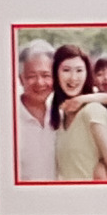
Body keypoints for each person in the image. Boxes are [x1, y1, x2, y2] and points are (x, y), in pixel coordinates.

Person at [49, 46, 107, 183]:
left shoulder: (92, 111)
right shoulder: (62, 115)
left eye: (79, 70)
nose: (73, 77)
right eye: (66, 70)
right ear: (56, 73)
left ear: (87, 74)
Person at [11, 39, 62, 182]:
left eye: (46, 75)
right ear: (21, 79)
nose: (40, 82)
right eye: (31, 76)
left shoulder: (61, 115)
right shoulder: (9, 118)